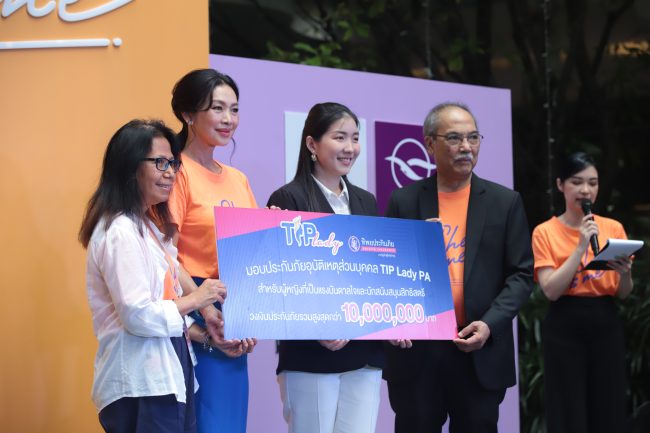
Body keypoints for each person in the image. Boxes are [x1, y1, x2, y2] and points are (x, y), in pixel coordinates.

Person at [382, 102, 534, 433]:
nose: (466, 147)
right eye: (454, 138)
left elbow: (521, 275)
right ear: (429, 144)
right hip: (419, 351)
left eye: (473, 137)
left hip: (479, 347)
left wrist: (490, 324)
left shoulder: (505, 202)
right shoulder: (404, 201)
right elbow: (387, 272)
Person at [79, 119, 226, 433]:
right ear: (130, 166)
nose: (170, 172)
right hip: (141, 382)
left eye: (172, 163)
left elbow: (171, 273)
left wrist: (206, 315)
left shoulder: (145, 226)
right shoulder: (120, 231)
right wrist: (199, 299)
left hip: (165, 375)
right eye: (160, 162)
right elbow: (138, 315)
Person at [266, 102, 384, 433]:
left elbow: (375, 275)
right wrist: (321, 327)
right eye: (339, 137)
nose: (350, 148)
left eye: (355, 138)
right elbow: (283, 279)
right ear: (312, 144)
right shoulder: (287, 199)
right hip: (311, 352)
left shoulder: (366, 201)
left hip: (364, 350)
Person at [169, 69, 257, 433]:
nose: (228, 119)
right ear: (188, 114)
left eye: (234, 110)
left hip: (233, 312)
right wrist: (204, 309)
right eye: (217, 108)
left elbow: (250, 252)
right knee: (203, 422)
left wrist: (251, 316)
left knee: (229, 423)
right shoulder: (175, 172)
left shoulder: (238, 179)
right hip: (192, 312)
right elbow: (164, 255)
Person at [531, 152, 634, 433]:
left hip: (605, 321)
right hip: (564, 323)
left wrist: (625, 273)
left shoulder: (613, 228)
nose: (586, 190)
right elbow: (550, 290)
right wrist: (580, 247)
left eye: (592, 183)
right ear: (560, 185)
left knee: (608, 403)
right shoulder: (545, 232)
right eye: (577, 182)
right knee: (568, 406)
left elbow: (624, 293)